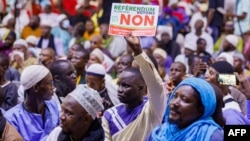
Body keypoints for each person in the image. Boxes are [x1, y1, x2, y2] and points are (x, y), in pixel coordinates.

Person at [102, 34, 167, 141]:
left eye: (126, 86)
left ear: (141, 88)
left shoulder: (152, 109)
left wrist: (138, 51)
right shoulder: (110, 114)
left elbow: (155, 85)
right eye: (119, 84)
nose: (120, 90)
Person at [148, 77, 223, 141]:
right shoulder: (159, 133)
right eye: (175, 96)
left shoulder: (213, 136)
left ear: (200, 110)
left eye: (185, 100)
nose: (175, 103)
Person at [4, 65, 59, 141]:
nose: (53, 87)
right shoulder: (12, 118)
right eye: (50, 83)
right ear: (36, 87)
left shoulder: (53, 106)